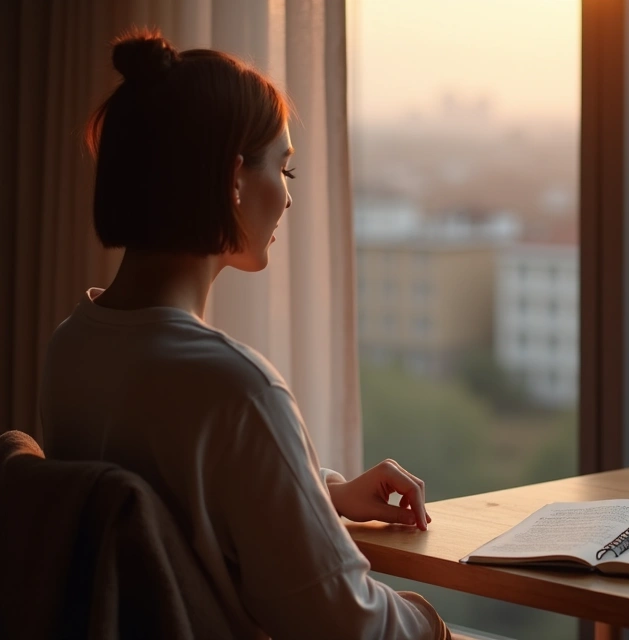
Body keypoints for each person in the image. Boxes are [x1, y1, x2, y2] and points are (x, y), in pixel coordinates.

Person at [38, 28, 450, 640]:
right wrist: (431, 622)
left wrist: (319, 496)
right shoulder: (233, 387)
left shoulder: (70, 348)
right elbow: (344, 625)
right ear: (234, 178)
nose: (286, 198)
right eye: (284, 168)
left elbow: (171, 518)